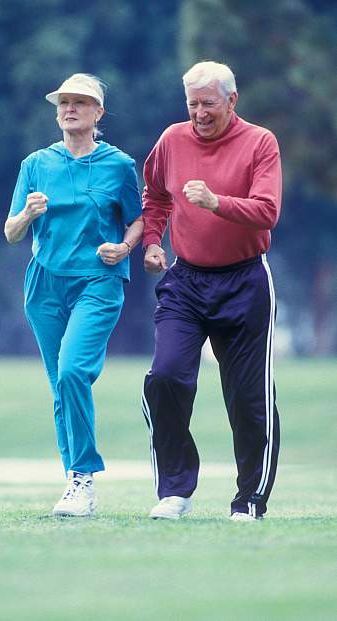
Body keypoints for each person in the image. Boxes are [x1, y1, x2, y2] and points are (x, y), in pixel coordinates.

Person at [141, 61, 282, 521]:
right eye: (192, 104)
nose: (199, 113)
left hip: (245, 281)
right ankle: (174, 490)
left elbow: (267, 211)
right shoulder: (172, 139)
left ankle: (250, 499)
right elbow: (156, 197)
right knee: (165, 377)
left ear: (232, 100)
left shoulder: (260, 142)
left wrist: (215, 202)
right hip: (186, 280)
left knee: (247, 396)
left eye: (209, 104)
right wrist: (151, 241)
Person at [4, 73, 143, 517]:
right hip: (44, 284)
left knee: (71, 371)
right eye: (64, 102)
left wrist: (124, 247)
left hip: (98, 281)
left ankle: (82, 476)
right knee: (60, 386)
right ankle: (75, 483)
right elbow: (10, 232)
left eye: (81, 102)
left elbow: (138, 219)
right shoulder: (36, 163)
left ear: (98, 113)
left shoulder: (119, 164)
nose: (70, 108)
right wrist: (27, 212)